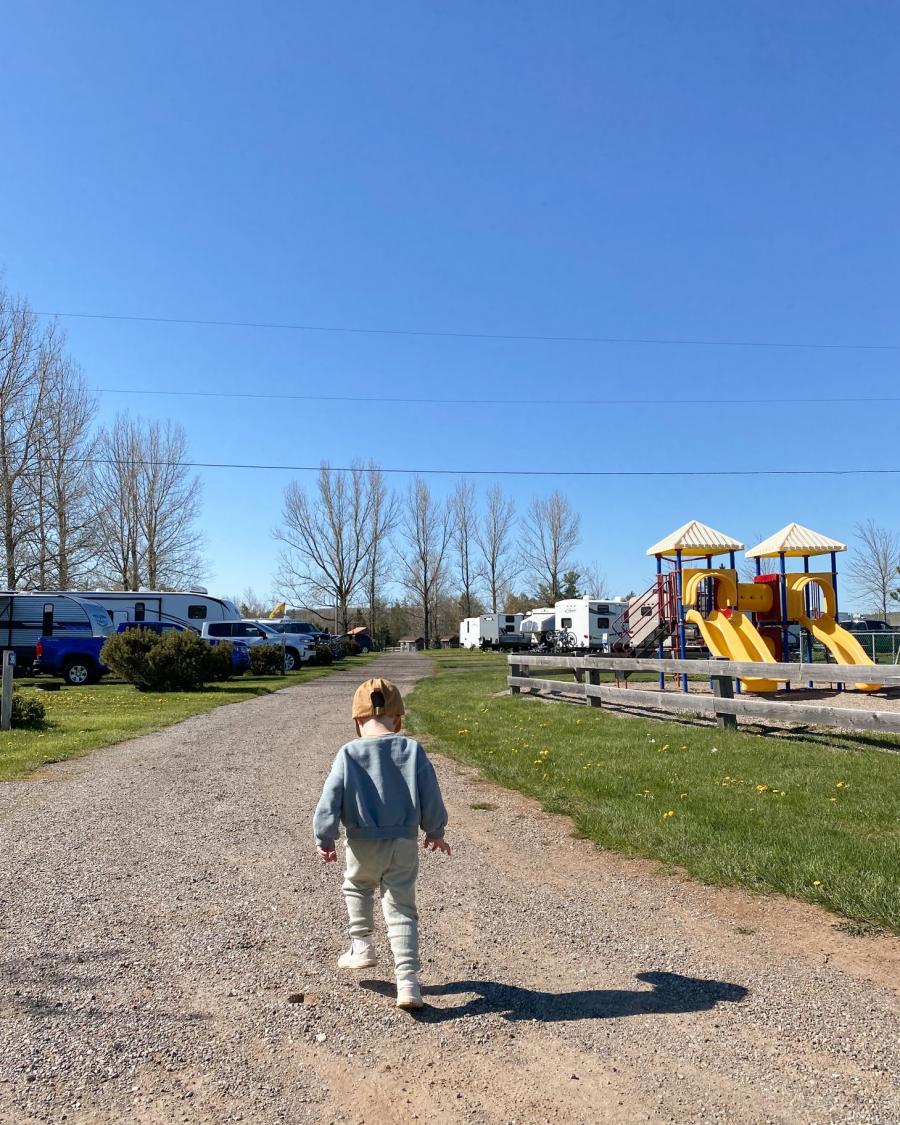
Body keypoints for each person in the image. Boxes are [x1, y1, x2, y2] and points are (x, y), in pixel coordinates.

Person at [313, 677, 450, 1009]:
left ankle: (361, 945)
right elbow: (431, 795)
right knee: (402, 908)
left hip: (361, 844)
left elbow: (330, 798)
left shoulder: (348, 753)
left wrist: (325, 835)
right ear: (398, 718)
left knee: (358, 887)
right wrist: (435, 830)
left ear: (357, 721)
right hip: (403, 842)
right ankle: (408, 983)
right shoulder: (412, 750)